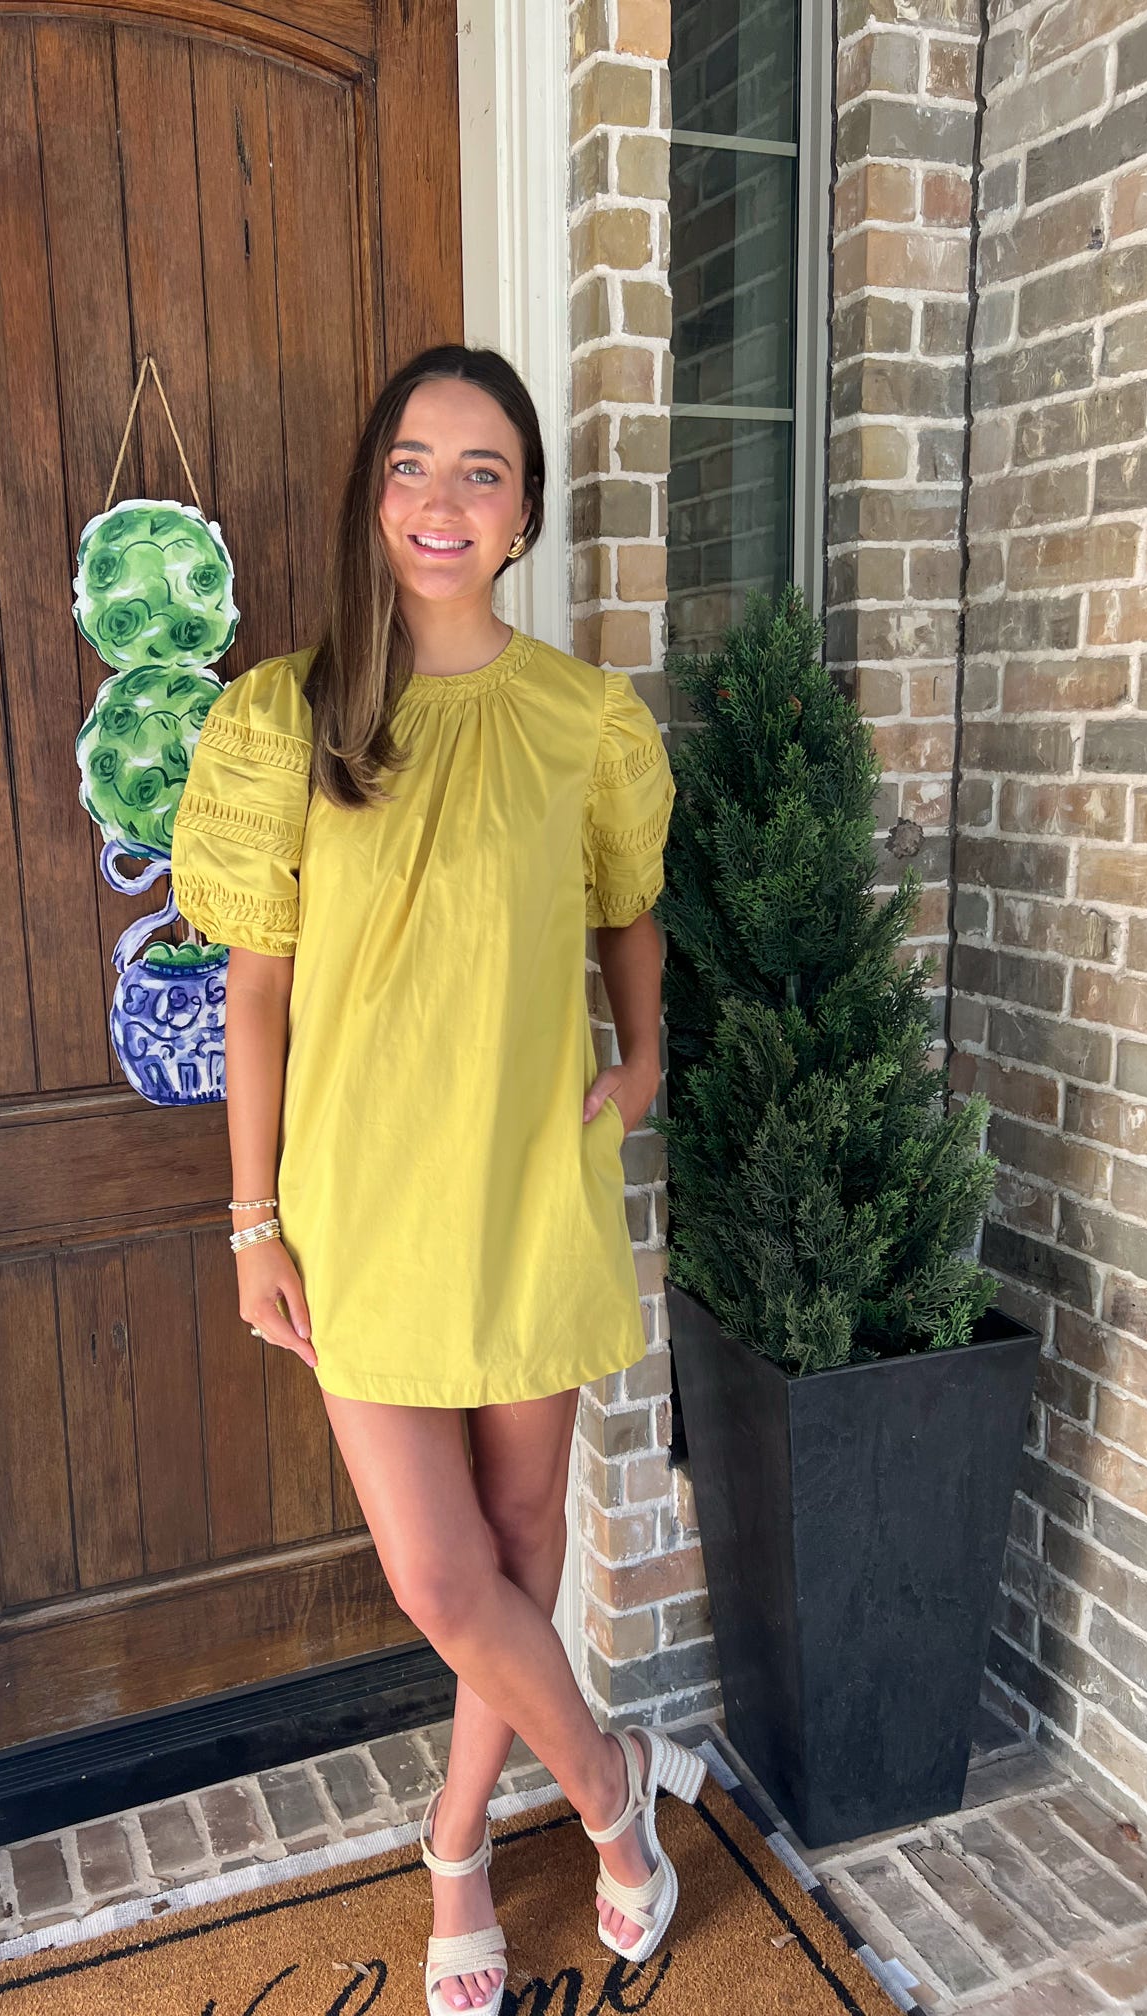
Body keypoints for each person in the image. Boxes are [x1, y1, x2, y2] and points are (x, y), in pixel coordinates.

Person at [170, 344, 704, 2015]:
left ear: (526, 508)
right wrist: (252, 1220)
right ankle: (612, 1797)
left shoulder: (582, 722)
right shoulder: (289, 714)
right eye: (412, 463)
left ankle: (460, 1838)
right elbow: (254, 987)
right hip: (361, 1206)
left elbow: (629, 903)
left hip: (531, 1176)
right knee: (438, 1572)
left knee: (527, 1535)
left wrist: (644, 1054)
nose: (443, 501)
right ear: (371, 493)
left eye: (482, 469)